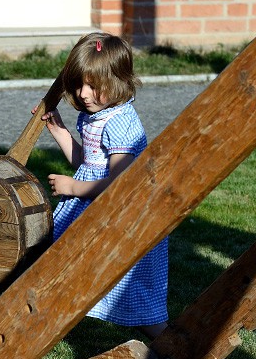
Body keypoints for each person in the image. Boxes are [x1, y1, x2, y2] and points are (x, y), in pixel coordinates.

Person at [36, 32, 168, 339]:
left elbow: (117, 183)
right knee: (63, 271)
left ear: (118, 81)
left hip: (117, 216)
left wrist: (72, 189)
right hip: (91, 207)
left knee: (130, 291)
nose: (83, 94)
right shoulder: (96, 116)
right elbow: (88, 163)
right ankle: (42, 327)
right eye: (79, 84)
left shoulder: (121, 122)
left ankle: (172, 348)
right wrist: (59, 131)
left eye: (93, 86)